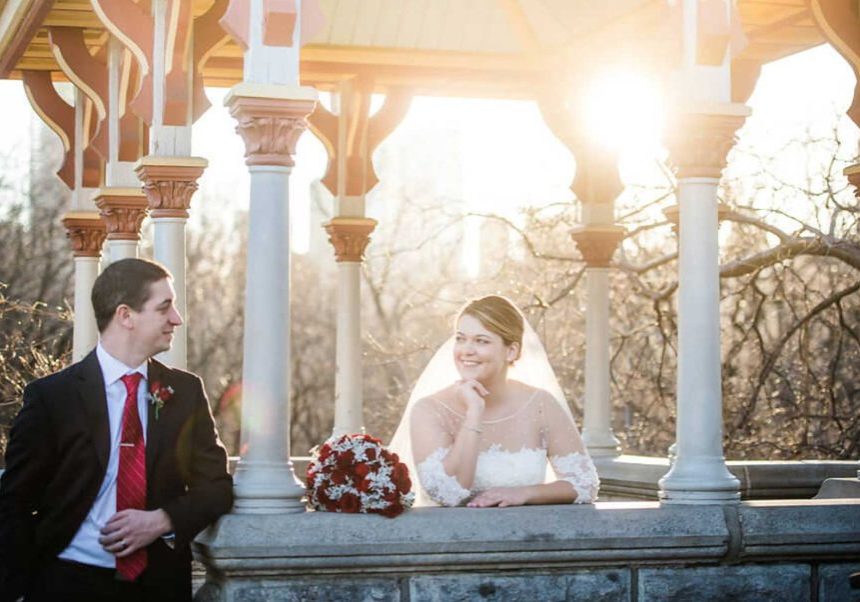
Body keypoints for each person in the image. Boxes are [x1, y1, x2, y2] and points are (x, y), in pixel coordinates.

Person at [0, 258, 233, 602]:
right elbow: (13, 501)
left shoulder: (185, 393)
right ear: (125, 316)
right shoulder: (53, 398)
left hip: (158, 586)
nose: (177, 319)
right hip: (66, 583)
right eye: (164, 307)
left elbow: (217, 487)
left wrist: (162, 520)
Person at [390, 295, 599, 507]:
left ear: (511, 351)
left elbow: (585, 484)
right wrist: (474, 413)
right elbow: (448, 493)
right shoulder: (428, 410)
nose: (467, 350)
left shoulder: (541, 404)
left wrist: (524, 493)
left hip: (525, 535)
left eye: (481, 341)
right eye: (461, 338)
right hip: (451, 537)